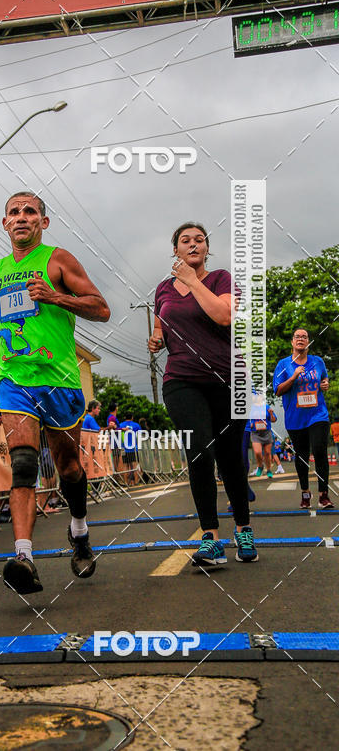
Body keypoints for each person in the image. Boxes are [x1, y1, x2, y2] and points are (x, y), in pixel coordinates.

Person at [0, 191, 110, 594]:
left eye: (30, 211)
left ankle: (80, 530)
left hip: (58, 379)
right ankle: (24, 558)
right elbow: (10, 314)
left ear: (43, 222)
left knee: (68, 468)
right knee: (22, 462)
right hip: (13, 376)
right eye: (13, 212)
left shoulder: (59, 259)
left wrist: (55, 296)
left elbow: (101, 308)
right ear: (5, 223)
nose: (21, 217)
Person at [149, 222, 258, 566]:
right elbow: (160, 331)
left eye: (200, 240)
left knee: (230, 458)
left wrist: (193, 281)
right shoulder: (163, 289)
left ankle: (243, 528)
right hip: (181, 379)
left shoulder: (221, 279)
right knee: (198, 450)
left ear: (207, 249)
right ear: (175, 250)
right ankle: (209, 537)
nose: (193, 244)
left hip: (227, 378)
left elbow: (224, 316)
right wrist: (155, 342)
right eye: (186, 240)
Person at [273, 328, 334, 509]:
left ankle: (324, 495)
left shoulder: (318, 362)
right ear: (292, 342)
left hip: (318, 414)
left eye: (304, 337)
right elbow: (277, 390)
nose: (301, 339)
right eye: (297, 337)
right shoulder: (283, 364)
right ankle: (305, 493)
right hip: (295, 418)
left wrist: (325, 384)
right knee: (302, 456)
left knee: (320, 450)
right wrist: (293, 377)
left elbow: (324, 380)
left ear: (308, 342)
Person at [248, 403, 278, 478]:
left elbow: (274, 420)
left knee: (267, 453)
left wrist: (271, 414)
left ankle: (269, 470)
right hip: (255, 433)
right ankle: (260, 466)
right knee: (257, 452)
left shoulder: (267, 407)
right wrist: (250, 424)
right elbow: (246, 419)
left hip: (266, 433)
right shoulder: (250, 408)